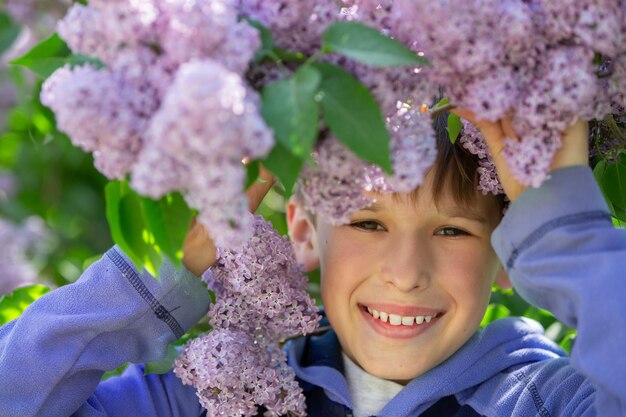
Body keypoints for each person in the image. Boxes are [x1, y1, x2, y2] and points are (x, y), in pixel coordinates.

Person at [0, 108, 624, 417]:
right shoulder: (222, 398)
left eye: (453, 230)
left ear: (510, 248)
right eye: (368, 222)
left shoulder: (543, 403)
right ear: (302, 229)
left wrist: (560, 226)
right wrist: (160, 272)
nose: (406, 271)